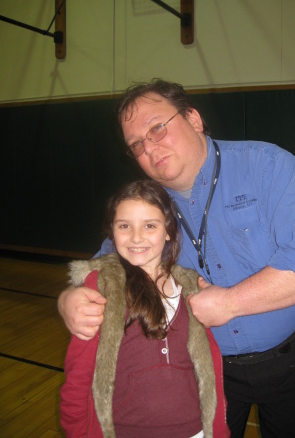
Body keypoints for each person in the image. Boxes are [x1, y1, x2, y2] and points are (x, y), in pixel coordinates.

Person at [58, 79, 295, 438]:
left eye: (157, 128)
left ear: (193, 118)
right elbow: (105, 264)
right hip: (211, 370)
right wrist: (70, 297)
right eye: (137, 145)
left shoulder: (268, 167)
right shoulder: (148, 206)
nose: (149, 147)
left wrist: (230, 302)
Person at [60, 179, 230, 438]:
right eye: (124, 226)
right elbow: (77, 380)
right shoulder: (100, 289)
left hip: (195, 431)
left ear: (169, 231)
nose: (136, 237)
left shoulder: (192, 288)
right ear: (112, 231)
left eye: (149, 225)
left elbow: (210, 371)